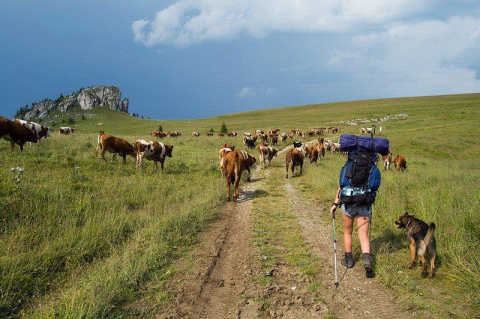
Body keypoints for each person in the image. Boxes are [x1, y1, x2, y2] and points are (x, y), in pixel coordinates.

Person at [330, 187, 375, 278]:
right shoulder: (371, 171)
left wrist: (335, 203)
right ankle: (367, 261)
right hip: (365, 203)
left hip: (348, 203)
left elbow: (341, 186)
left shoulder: (347, 171)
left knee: (348, 232)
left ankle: (349, 260)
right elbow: (374, 187)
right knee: (363, 235)